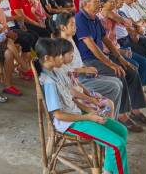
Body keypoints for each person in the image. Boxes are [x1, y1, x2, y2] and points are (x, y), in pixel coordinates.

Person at [36, 37, 129, 174]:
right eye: (58, 55)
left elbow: (71, 98)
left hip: (79, 114)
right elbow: (59, 115)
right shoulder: (49, 82)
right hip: (69, 124)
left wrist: (88, 109)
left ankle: (108, 170)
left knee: (122, 131)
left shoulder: (58, 71)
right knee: (117, 144)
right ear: (47, 58)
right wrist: (88, 117)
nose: (62, 58)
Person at [75, 0, 146, 133]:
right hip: (88, 61)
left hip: (100, 57)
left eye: (99, 2)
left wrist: (121, 59)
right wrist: (111, 64)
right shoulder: (80, 18)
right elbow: (92, 47)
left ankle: (135, 109)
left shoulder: (94, 18)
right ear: (85, 4)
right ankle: (122, 115)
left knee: (131, 70)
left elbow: (106, 40)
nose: (99, 4)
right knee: (119, 73)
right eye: (96, 2)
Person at [54, 13, 124, 121]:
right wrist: (84, 70)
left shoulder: (70, 40)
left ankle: (112, 117)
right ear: (63, 28)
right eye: (72, 24)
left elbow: (78, 62)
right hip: (78, 81)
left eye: (75, 24)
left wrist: (87, 68)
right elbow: (65, 72)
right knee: (114, 86)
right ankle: (106, 117)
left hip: (80, 80)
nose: (76, 27)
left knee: (118, 82)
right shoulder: (61, 47)